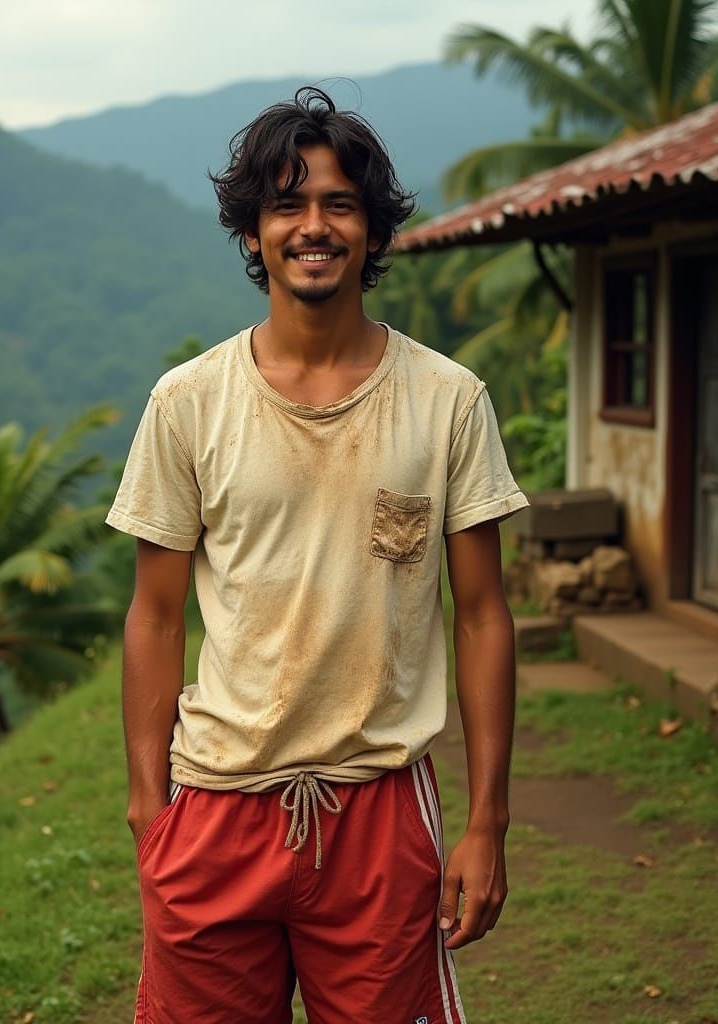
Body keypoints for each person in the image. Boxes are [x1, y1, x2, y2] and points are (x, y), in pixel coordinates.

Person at [107, 86, 528, 1024]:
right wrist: (150, 807)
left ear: (373, 233)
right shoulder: (189, 402)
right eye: (286, 204)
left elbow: (484, 613)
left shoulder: (448, 400)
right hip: (213, 806)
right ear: (251, 235)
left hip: (376, 807)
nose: (314, 226)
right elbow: (156, 612)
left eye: (340, 204)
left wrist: (488, 820)